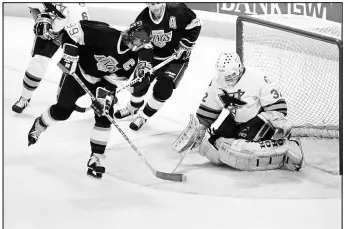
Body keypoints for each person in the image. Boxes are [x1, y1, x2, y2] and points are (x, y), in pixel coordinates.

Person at [27, 20, 153, 178]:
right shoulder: (104, 35)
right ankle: (39, 125)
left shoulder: (132, 59)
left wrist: (102, 98)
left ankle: (96, 159)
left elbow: (113, 80)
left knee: (105, 116)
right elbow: (70, 30)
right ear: (130, 36)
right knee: (63, 111)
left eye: (144, 43)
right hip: (79, 72)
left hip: (101, 81)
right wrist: (70, 53)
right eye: (138, 41)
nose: (140, 45)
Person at [173, 52, 305, 172]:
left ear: (239, 69)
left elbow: (277, 105)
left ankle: (288, 147)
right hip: (236, 119)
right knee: (214, 145)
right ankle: (253, 147)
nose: (227, 81)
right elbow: (207, 112)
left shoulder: (256, 77)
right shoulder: (216, 83)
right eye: (223, 76)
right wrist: (200, 129)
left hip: (260, 119)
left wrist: (277, 119)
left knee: (241, 152)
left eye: (230, 76)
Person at [114, 3, 202, 131]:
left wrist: (186, 44)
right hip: (154, 57)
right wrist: (145, 63)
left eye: (157, 3)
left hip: (176, 60)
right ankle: (133, 107)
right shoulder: (143, 19)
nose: (155, 8)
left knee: (163, 89)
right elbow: (142, 45)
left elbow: (196, 25)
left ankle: (143, 116)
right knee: (139, 82)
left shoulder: (178, 11)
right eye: (151, 3)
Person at [12, 3, 89, 114]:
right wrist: (39, 19)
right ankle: (25, 98)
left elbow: (83, 26)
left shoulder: (77, 5)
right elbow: (33, 8)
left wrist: (66, 39)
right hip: (50, 29)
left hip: (72, 33)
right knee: (38, 61)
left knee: (79, 64)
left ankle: (103, 94)